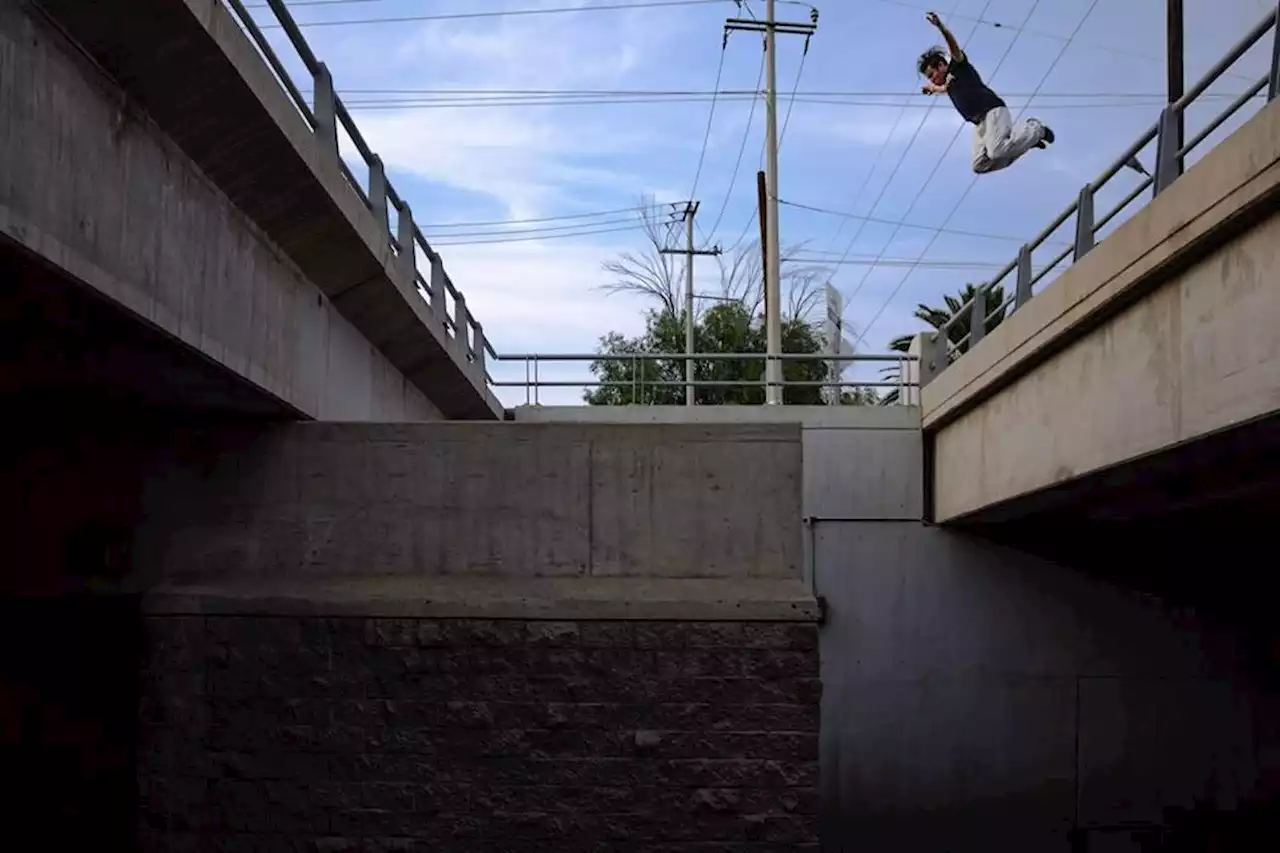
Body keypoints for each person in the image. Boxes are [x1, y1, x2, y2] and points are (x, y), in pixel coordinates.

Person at [918, 10, 1054, 174]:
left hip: (992, 111)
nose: (932, 79)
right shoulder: (949, 85)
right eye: (929, 78)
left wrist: (941, 27)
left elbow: (953, 46)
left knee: (996, 151)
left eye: (932, 75)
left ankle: (1036, 129)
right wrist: (932, 89)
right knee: (979, 165)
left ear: (941, 65)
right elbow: (943, 89)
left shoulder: (958, 66)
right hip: (979, 124)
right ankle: (1029, 141)